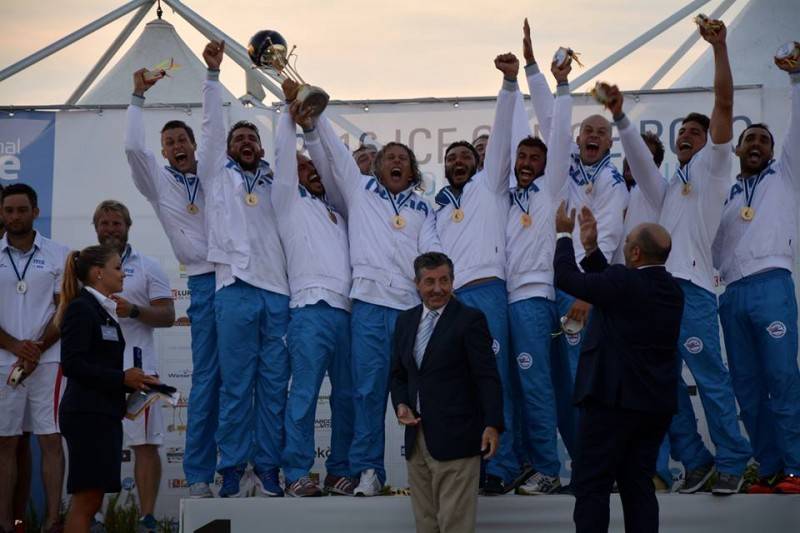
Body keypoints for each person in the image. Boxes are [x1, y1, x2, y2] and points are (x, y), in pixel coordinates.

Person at [615, 19, 751, 494]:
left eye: (698, 130)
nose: (689, 135)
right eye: (683, 133)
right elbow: (637, 160)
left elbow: (725, 105)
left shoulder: (714, 171)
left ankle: (734, 459)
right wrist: (620, 117)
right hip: (655, 297)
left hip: (692, 291)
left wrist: (719, 48)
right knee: (661, 385)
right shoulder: (666, 187)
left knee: (711, 378)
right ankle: (695, 460)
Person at [304, 87, 441, 497]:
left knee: (419, 396)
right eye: (390, 158)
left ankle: (424, 471)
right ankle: (368, 471)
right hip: (367, 307)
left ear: (412, 171)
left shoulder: (425, 208)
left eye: (403, 158)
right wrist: (315, 118)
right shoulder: (359, 192)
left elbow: (433, 257)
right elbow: (334, 153)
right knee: (367, 393)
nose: (397, 161)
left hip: (410, 313)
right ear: (377, 169)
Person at [525, 19, 629, 463]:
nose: (591, 136)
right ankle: (555, 464)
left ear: (610, 143)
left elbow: (605, 235)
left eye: (600, 133)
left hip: (577, 289)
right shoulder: (565, 162)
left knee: (579, 377)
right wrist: (537, 71)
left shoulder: (612, 181)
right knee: (547, 380)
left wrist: (588, 294)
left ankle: (592, 464)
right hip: (544, 282)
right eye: (587, 131)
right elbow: (551, 116)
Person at [554, 203, 683, 533]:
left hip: (611, 405)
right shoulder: (673, 289)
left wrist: (562, 234)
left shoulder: (623, 284)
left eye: (626, 246)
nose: (623, 249)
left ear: (636, 253)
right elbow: (612, 287)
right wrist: (593, 249)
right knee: (637, 484)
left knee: (592, 486)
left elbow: (567, 278)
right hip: (653, 407)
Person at [198, 40, 291, 498]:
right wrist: (213, 77)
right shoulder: (218, 174)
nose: (246, 143)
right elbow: (212, 130)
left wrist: (292, 106)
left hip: (277, 292)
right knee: (236, 387)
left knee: (273, 388)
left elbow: (291, 151)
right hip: (233, 287)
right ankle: (232, 468)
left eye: (252, 138)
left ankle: (269, 467)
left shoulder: (278, 180)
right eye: (239, 140)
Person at [124, 68, 219, 499]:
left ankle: (246, 471)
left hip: (240, 280)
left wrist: (213, 76)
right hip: (202, 283)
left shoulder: (219, 175)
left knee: (246, 380)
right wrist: (137, 97)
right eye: (170, 143)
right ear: (163, 153)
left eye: (183, 140)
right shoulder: (158, 182)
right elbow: (131, 146)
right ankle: (198, 476)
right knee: (206, 382)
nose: (177, 146)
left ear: (194, 145)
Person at [434, 52, 525, 495]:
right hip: (449, 304)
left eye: (466, 155)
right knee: (459, 385)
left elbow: (505, 133)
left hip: (488, 291)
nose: (458, 161)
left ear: (479, 164)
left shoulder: (489, 187)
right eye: (451, 157)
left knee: (495, 379)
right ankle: (467, 466)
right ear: (444, 165)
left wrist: (509, 85)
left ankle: (503, 465)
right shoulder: (434, 208)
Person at [712, 56, 800, 494]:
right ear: (737, 148)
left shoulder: (785, 177)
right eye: (750, 138)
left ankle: (796, 467)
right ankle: (767, 469)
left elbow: (797, 130)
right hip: (731, 294)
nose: (757, 144)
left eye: (764, 140)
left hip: (771, 286)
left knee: (782, 379)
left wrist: (796, 78)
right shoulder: (726, 195)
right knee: (746, 387)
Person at [272, 85, 356, 497]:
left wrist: (314, 128)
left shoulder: (339, 213)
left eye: (316, 169)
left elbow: (332, 164)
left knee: (346, 399)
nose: (313, 173)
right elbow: (284, 161)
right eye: (306, 169)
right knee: (303, 396)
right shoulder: (288, 201)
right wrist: (288, 118)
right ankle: (296, 473)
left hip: (347, 314)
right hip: (308, 310)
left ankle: (339, 470)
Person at [390, 252, 502, 533]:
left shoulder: (470, 319)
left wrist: (493, 424)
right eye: (429, 281)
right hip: (417, 441)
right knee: (426, 525)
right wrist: (402, 404)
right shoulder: (405, 321)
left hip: (459, 439)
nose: (437, 288)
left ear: (452, 281)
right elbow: (398, 374)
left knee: (455, 526)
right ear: (417, 284)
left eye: (444, 280)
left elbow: (487, 377)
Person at [505, 52, 573, 496]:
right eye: (521, 155)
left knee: (549, 388)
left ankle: (552, 467)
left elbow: (559, 133)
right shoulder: (498, 195)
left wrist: (557, 84)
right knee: (524, 388)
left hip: (542, 298)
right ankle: (534, 461)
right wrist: (510, 83)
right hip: (511, 300)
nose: (527, 161)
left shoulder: (552, 188)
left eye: (535, 156)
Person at [57, 245, 158, 533]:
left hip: (103, 413)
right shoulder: (81, 307)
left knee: (93, 497)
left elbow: (100, 365)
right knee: (86, 501)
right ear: (98, 273)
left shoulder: (103, 310)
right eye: (117, 268)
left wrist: (134, 384)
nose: (122, 273)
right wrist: (120, 379)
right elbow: (73, 365)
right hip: (87, 415)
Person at [92, 200, 174, 532]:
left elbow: (168, 316)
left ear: (128, 227)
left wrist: (134, 311)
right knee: (97, 442)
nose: (111, 229)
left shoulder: (149, 265)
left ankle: (147, 518)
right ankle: (94, 516)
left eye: (117, 223)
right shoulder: (84, 266)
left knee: (145, 444)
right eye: (105, 224)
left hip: (141, 370)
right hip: (98, 372)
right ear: (95, 228)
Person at [0, 184, 69, 533]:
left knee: (50, 439)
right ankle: (7, 523)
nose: (15, 216)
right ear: (2, 214)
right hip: (3, 361)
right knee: (6, 441)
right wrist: (15, 346)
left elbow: (65, 308)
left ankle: (53, 521)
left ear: (35, 212)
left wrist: (37, 348)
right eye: (9, 210)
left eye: (22, 210)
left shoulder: (59, 254)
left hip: (49, 361)